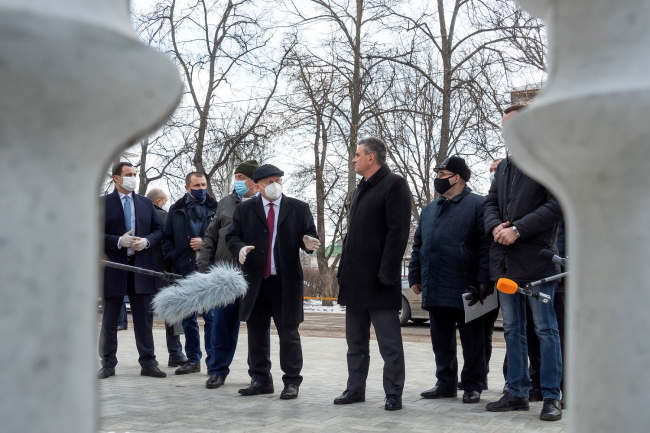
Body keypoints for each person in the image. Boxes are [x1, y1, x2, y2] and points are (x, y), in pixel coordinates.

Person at [484, 105, 563, 421]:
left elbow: (557, 205)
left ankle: (551, 396)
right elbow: (490, 203)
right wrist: (495, 227)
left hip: (538, 265)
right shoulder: (504, 167)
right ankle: (516, 392)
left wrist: (517, 229)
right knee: (513, 329)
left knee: (545, 329)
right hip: (506, 265)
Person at [226, 164, 320, 400]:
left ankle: (292, 381)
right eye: (269, 182)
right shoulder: (245, 209)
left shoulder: (298, 208)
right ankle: (261, 379)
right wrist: (239, 248)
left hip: (285, 282)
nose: (275, 185)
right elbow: (232, 236)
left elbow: (310, 236)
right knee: (256, 333)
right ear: (257, 186)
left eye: (278, 180)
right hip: (256, 281)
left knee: (289, 333)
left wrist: (309, 244)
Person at [334, 137, 412, 411]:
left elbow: (398, 232)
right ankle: (355, 389)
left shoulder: (395, 184)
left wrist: (387, 272)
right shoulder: (361, 189)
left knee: (389, 344)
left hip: (380, 281)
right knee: (355, 343)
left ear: (371, 158)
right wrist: (343, 271)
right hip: (355, 281)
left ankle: (393, 393)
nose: (353, 159)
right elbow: (353, 236)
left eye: (357, 155)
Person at [409, 156, 491, 404]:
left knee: (473, 340)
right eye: (437, 174)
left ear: (458, 178)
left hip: (468, 286)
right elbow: (418, 245)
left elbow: (486, 246)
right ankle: (445, 383)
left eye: (443, 175)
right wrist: (415, 274)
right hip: (435, 283)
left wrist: (484, 280)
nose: (438, 179)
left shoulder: (479, 204)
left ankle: (473, 385)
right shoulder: (429, 210)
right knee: (441, 340)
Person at [197, 160, 264, 389]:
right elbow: (211, 236)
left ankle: (258, 374)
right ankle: (217, 371)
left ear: (254, 181)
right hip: (225, 274)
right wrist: (204, 268)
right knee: (221, 325)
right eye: (235, 177)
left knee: (257, 328)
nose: (237, 182)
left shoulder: (265, 204)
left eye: (241, 178)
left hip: (253, 276)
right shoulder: (226, 203)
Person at [98, 162, 166, 379]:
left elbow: (159, 230)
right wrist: (118, 241)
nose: (133, 178)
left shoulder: (145, 203)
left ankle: (148, 363)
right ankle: (108, 364)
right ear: (116, 178)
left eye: (135, 174)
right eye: (128, 174)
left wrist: (147, 241)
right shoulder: (102, 203)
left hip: (141, 268)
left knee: (144, 319)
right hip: (114, 268)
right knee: (110, 319)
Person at [162, 172, 217, 375]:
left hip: (209, 271)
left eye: (203, 185)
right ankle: (193, 360)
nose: (201, 188)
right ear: (187, 188)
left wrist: (205, 243)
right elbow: (167, 239)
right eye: (196, 185)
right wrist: (174, 257)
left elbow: (223, 237)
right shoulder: (176, 210)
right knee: (188, 318)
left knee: (211, 318)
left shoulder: (215, 208)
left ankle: (213, 362)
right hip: (184, 269)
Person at [146, 188, 188, 368]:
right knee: (172, 313)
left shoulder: (140, 216)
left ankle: (147, 355)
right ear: (159, 201)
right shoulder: (164, 216)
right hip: (165, 271)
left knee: (144, 316)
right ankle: (175, 353)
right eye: (165, 200)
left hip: (142, 272)